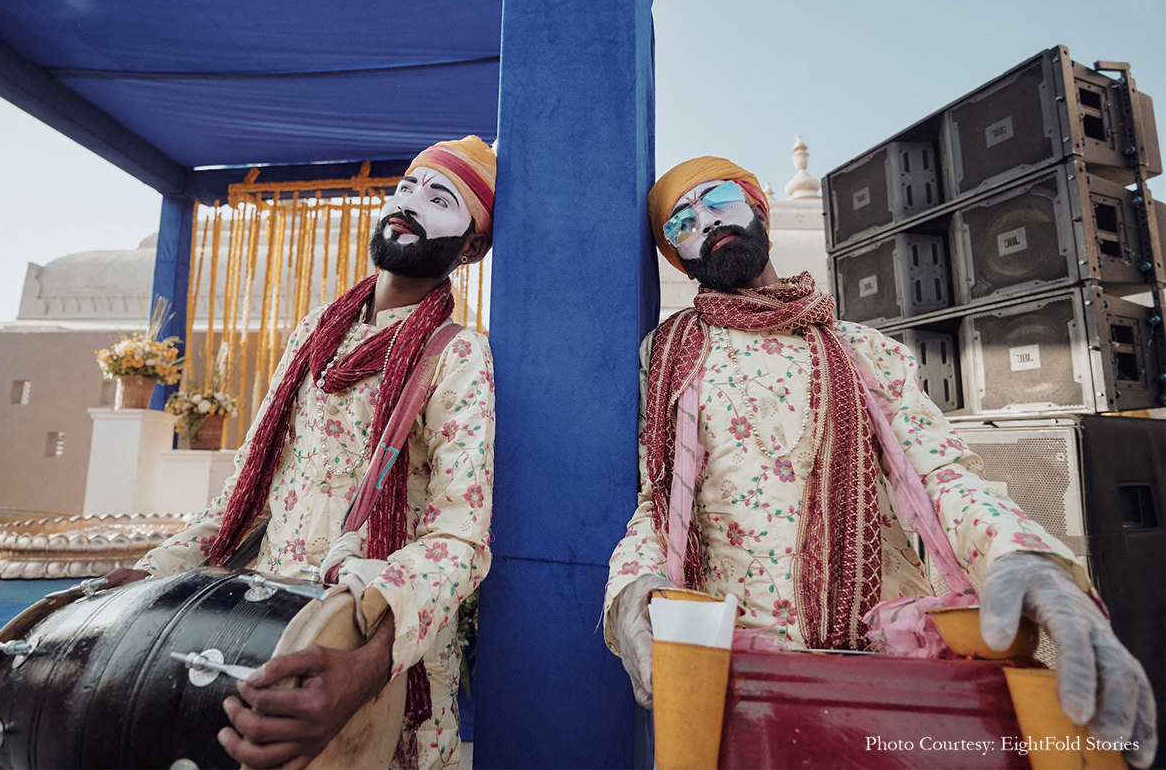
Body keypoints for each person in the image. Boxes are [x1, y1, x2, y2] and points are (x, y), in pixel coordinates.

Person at [603, 155, 1157, 767]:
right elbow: (658, 502)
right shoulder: (671, 357)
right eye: (682, 222)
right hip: (738, 681)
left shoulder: (867, 352)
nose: (706, 221)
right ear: (678, 258)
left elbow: (941, 475)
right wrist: (634, 588)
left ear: (758, 208)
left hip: (882, 671)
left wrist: (1025, 558)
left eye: (718, 201)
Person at [106, 136, 498, 770]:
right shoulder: (315, 334)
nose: (409, 204)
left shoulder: (458, 354)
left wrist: (365, 665)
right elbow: (247, 492)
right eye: (405, 188)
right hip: (265, 624)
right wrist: (155, 576)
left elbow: (460, 537)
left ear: (471, 246)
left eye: (440, 199)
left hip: (377, 641)